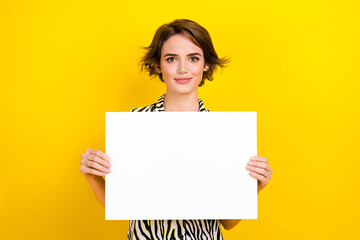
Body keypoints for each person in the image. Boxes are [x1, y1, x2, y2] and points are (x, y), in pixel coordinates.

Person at [80, 19, 273, 240]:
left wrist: (251, 188)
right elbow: (122, 206)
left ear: (206, 64)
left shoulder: (223, 133)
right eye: (171, 59)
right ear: (158, 65)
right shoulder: (134, 124)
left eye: (193, 58)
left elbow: (227, 223)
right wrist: (93, 178)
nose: (183, 69)